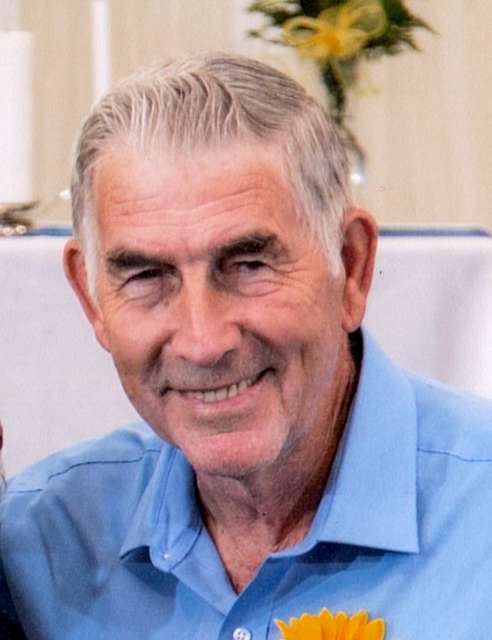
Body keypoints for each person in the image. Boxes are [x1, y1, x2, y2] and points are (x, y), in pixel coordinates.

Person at [1, 53, 492, 640]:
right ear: (91, 298)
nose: (203, 342)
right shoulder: (39, 543)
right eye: (147, 277)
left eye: (249, 265)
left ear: (351, 267)